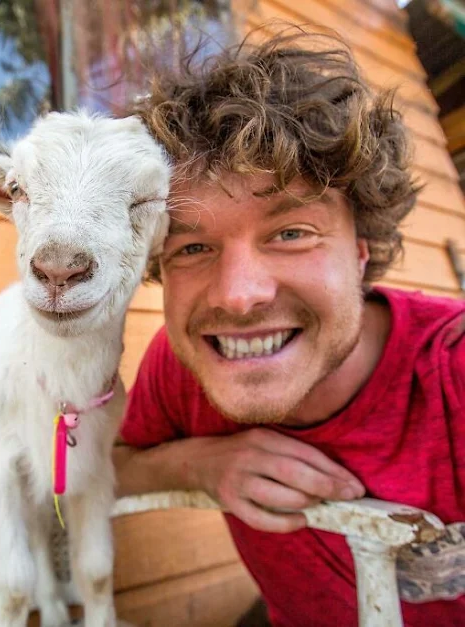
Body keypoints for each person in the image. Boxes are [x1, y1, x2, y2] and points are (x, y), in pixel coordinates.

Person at [113, 31, 465, 626]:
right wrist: (198, 465)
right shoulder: (180, 368)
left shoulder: (452, 369)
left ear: (361, 251)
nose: (237, 296)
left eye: (291, 233)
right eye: (192, 247)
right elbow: (106, 470)